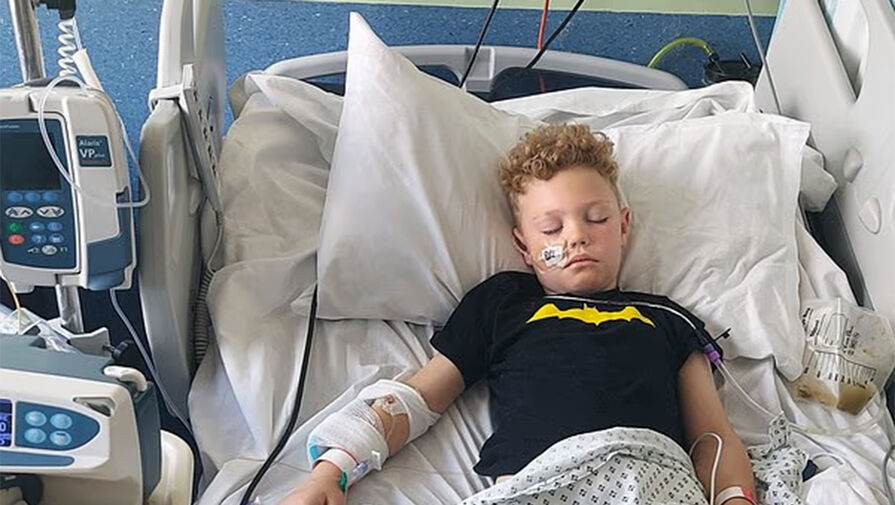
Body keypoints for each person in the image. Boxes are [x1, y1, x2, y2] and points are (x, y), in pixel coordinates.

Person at [281, 124, 756, 505]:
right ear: (524, 246)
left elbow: (713, 435)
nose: (576, 236)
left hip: (651, 479)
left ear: (624, 225)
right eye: (551, 228)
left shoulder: (665, 318)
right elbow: (419, 399)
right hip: (537, 483)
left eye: (596, 218)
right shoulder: (504, 304)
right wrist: (331, 472)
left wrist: (735, 498)